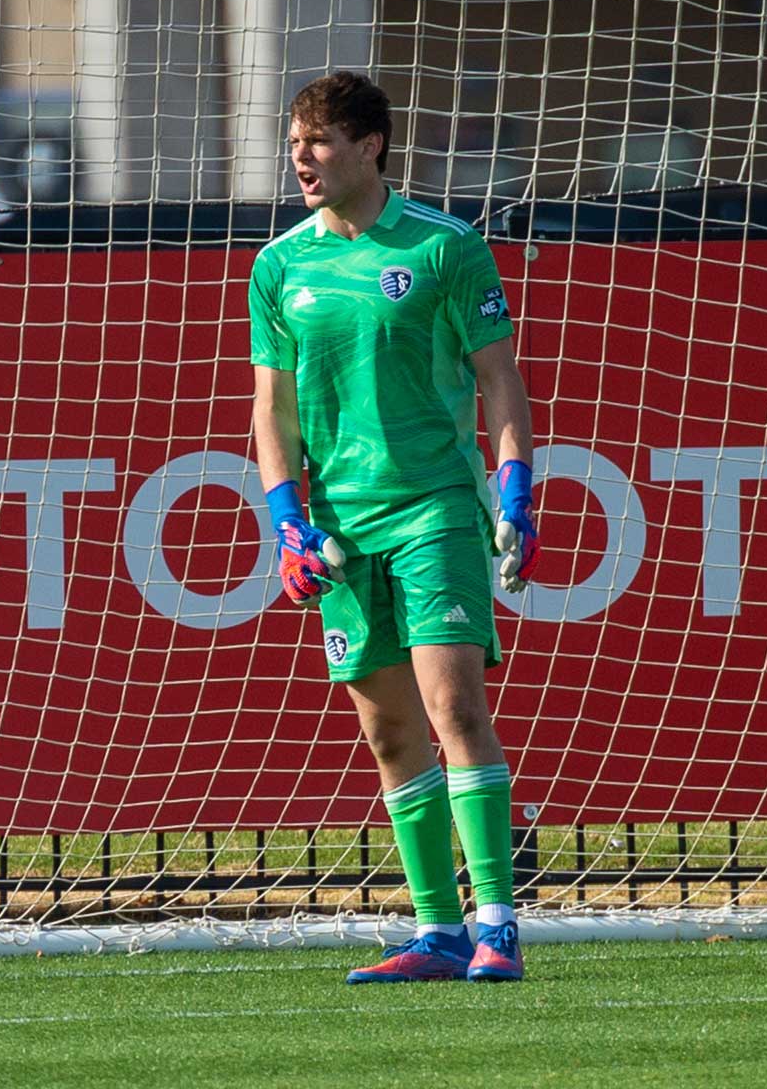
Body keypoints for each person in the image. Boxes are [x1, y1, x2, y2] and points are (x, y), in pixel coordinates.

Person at [247, 71, 539, 984]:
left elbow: (499, 380)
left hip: (434, 508)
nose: (302, 159)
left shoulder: (445, 247)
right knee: (389, 737)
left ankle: (498, 925)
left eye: (319, 142)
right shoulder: (280, 266)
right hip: (342, 529)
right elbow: (272, 410)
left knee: (455, 709)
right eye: (295, 144)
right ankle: (438, 932)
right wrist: (287, 522)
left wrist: (516, 492)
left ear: (370, 146)